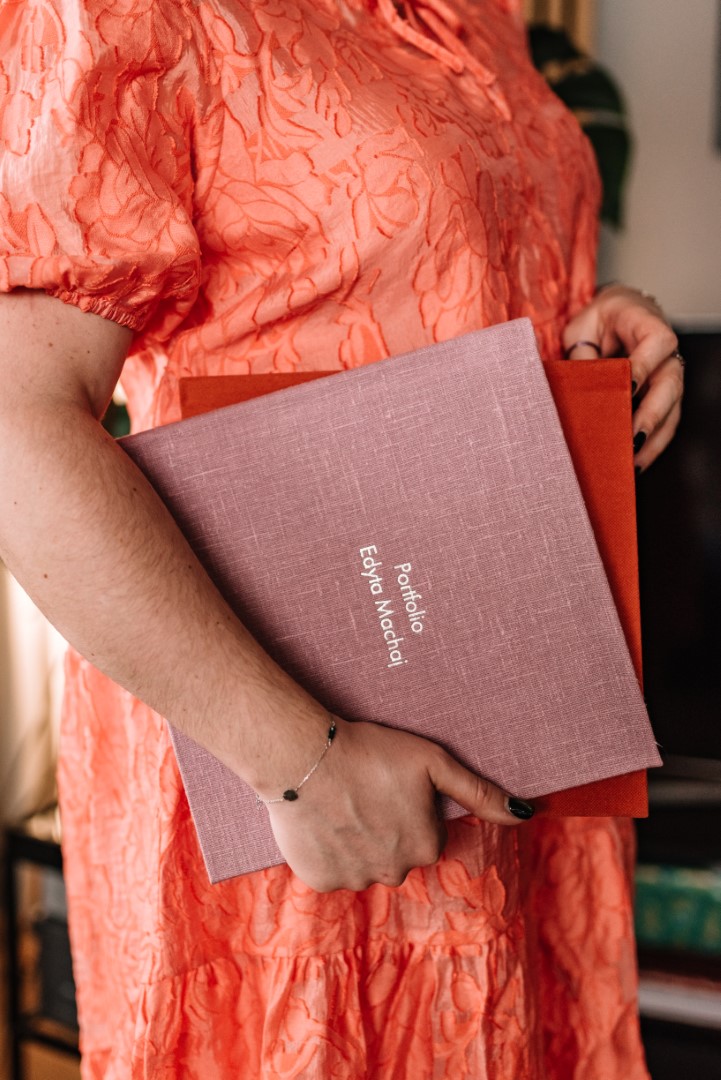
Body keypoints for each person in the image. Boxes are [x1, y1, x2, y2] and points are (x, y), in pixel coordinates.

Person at [0, 1, 684, 1076]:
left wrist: (587, 325)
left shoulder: (479, 16)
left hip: (505, 737)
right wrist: (300, 764)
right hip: (289, 769)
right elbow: (17, 423)